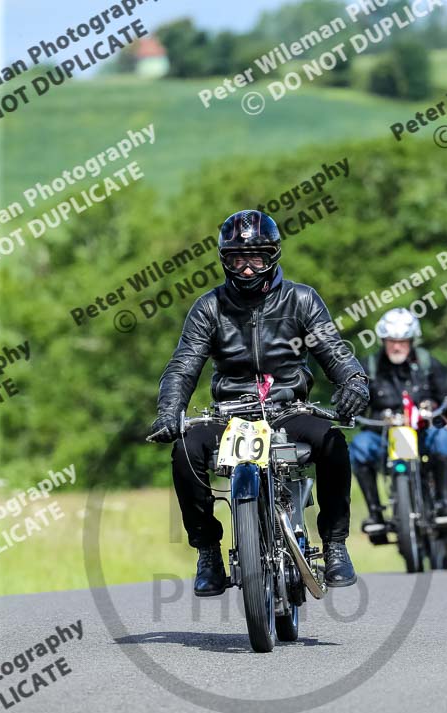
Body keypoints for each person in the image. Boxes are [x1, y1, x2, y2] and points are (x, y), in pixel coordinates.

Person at [150, 210, 369, 596]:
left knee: (333, 441)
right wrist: (169, 411)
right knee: (185, 448)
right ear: (224, 260)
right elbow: (183, 366)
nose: (247, 269)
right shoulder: (209, 307)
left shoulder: (302, 299)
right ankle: (207, 553)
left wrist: (353, 383)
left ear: (273, 256)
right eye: (237, 258)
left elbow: (335, 352)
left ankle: (335, 545)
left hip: (289, 410)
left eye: (256, 258)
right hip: (231, 414)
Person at [350, 307, 447, 544]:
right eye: (391, 341)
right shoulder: (368, 366)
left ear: (411, 341)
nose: (396, 346)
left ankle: (443, 504)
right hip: (381, 434)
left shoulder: (429, 363)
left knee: (442, 439)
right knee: (358, 446)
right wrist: (349, 409)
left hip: (423, 433)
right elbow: (355, 398)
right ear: (383, 340)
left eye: (402, 341)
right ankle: (375, 513)